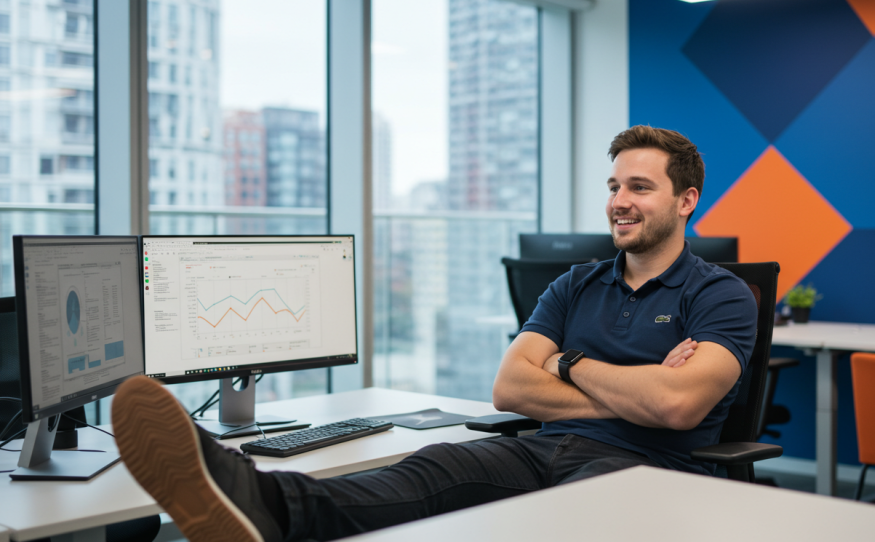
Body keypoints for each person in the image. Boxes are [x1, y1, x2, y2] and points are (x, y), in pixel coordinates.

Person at [111, 125, 757, 542]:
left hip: (641, 468)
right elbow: (509, 388)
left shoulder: (721, 294)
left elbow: (678, 407)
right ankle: (262, 502)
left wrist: (566, 363)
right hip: (539, 449)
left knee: (554, 526)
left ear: (685, 201)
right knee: (427, 470)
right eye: (614, 185)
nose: (619, 200)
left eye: (640, 187)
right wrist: (637, 391)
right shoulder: (575, 283)